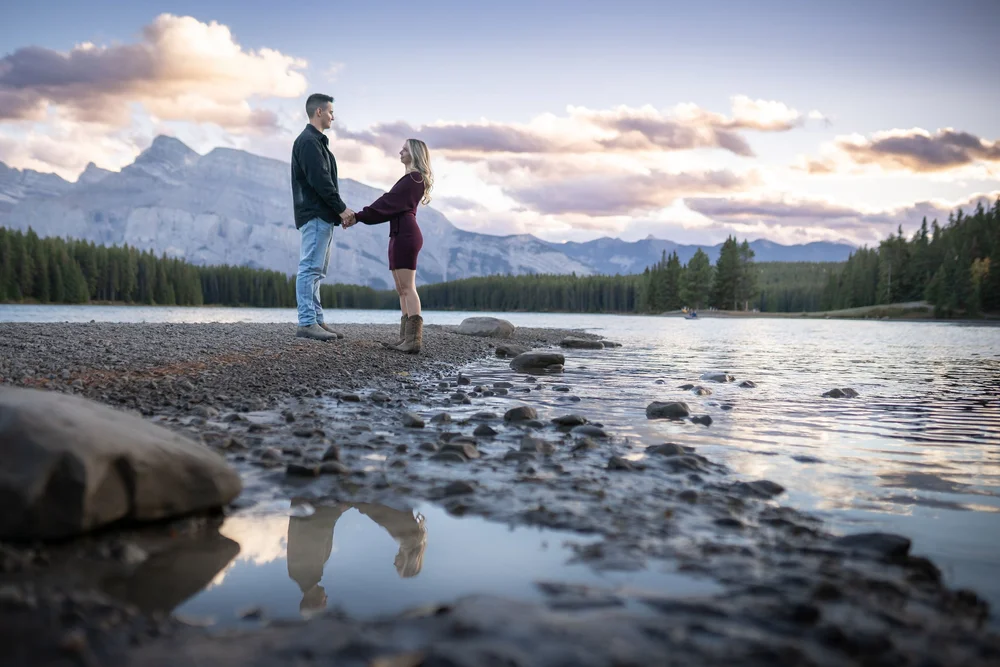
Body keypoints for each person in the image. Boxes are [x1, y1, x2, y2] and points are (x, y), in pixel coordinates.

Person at [342, 139, 433, 353]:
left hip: (406, 235)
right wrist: (361, 217)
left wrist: (359, 216)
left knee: (408, 287)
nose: (400, 151)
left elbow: (388, 202)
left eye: (405, 149)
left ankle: (413, 341)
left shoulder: (414, 178)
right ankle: (405, 338)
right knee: (402, 289)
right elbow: (389, 204)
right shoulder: (411, 178)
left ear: (415, 153)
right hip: (399, 234)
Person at [290, 93, 355, 341]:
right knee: (309, 268)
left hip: (322, 216)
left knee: (317, 271)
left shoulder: (317, 142)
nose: (333, 117)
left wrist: (336, 213)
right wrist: (341, 209)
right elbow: (321, 181)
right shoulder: (308, 142)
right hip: (315, 213)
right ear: (319, 112)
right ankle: (307, 322)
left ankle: (316, 320)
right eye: (330, 112)